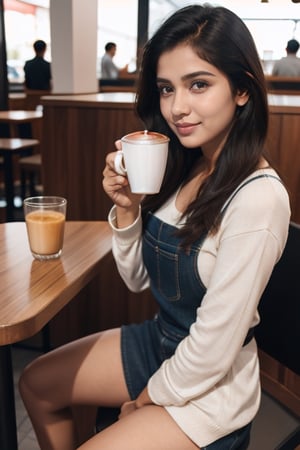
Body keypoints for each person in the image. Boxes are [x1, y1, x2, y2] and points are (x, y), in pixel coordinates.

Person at [19, 5, 290, 450]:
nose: (177, 108)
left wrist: (144, 400)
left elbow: (214, 348)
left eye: (198, 85)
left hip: (211, 384)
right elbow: (135, 279)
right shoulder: (189, 166)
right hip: (163, 340)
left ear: (242, 89)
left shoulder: (259, 198)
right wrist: (128, 209)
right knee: (36, 382)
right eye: (166, 89)